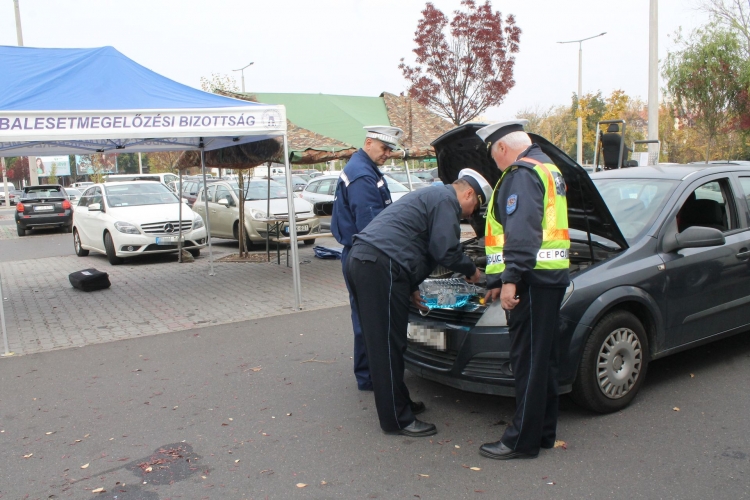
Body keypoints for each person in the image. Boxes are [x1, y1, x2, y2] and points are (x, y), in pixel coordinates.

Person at [345, 169, 492, 437]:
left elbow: (407, 240)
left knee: (392, 341)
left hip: (371, 262)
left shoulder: (432, 196)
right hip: (379, 266)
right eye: (475, 207)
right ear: (469, 193)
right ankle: (396, 419)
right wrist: (473, 272)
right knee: (386, 346)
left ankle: (400, 402)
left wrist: (412, 286)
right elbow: (444, 249)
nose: (471, 214)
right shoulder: (446, 200)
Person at [474, 120, 570, 460]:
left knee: (527, 362)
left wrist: (510, 279)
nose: (496, 163)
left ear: (502, 147)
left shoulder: (522, 174)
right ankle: (543, 433)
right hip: (548, 279)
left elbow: (522, 232)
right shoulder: (548, 168)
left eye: (493, 156)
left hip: (530, 280)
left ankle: (521, 441)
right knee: (543, 360)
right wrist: (497, 279)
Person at [331, 125, 402, 391]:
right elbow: (372, 227)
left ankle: (368, 373)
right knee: (370, 318)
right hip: (366, 254)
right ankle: (371, 376)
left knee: (364, 315)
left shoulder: (362, 167)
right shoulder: (362, 174)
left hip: (358, 252)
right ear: (369, 142)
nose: (387, 154)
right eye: (384, 148)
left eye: (390, 150)